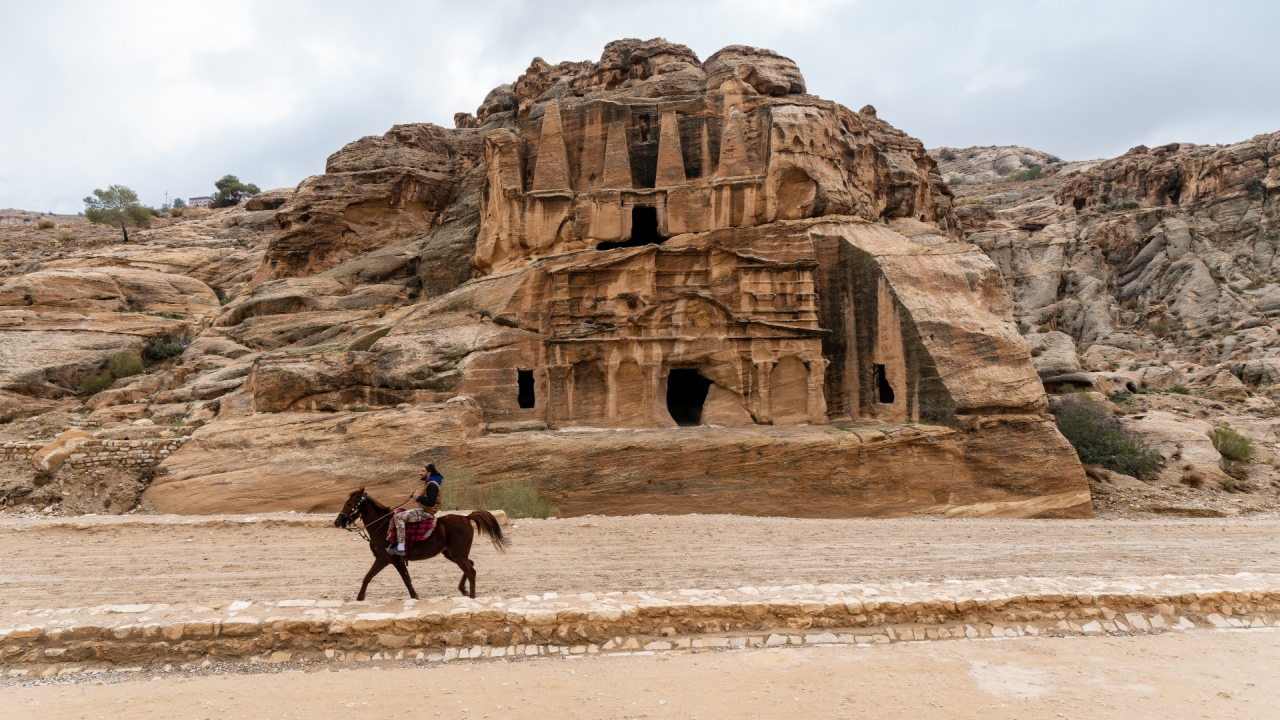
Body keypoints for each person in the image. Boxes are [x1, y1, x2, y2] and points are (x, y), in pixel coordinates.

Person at [389, 464, 444, 556]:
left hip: (425, 512)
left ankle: (401, 548)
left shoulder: (432, 485)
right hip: (423, 510)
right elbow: (427, 499)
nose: (420, 473)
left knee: (398, 517)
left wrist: (418, 497)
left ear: (429, 473)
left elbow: (431, 502)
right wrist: (418, 495)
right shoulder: (430, 483)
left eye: (423, 471)